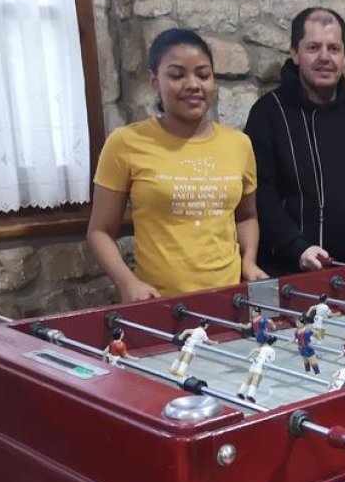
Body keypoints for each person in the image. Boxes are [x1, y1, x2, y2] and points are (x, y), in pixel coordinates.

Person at [88, 28, 266, 301]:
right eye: (177, 75)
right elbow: (99, 231)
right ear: (154, 81)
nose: (193, 84)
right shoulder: (125, 143)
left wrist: (249, 261)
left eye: (203, 75)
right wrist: (128, 283)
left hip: (229, 299)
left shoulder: (239, 144)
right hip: (158, 302)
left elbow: (246, 216)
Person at [245, 7, 345, 275]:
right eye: (313, 47)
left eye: (334, 48)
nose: (325, 57)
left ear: (344, 57)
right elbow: (261, 195)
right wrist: (296, 247)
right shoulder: (268, 113)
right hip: (287, 269)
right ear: (295, 53)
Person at [242, 336, 278, 403]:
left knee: (249, 380)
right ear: (273, 343)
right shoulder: (272, 351)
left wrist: (247, 357)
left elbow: (254, 350)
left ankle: (242, 393)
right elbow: (272, 360)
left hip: (255, 364)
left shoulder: (263, 347)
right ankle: (250, 395)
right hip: (261, 367)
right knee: (256, 382)